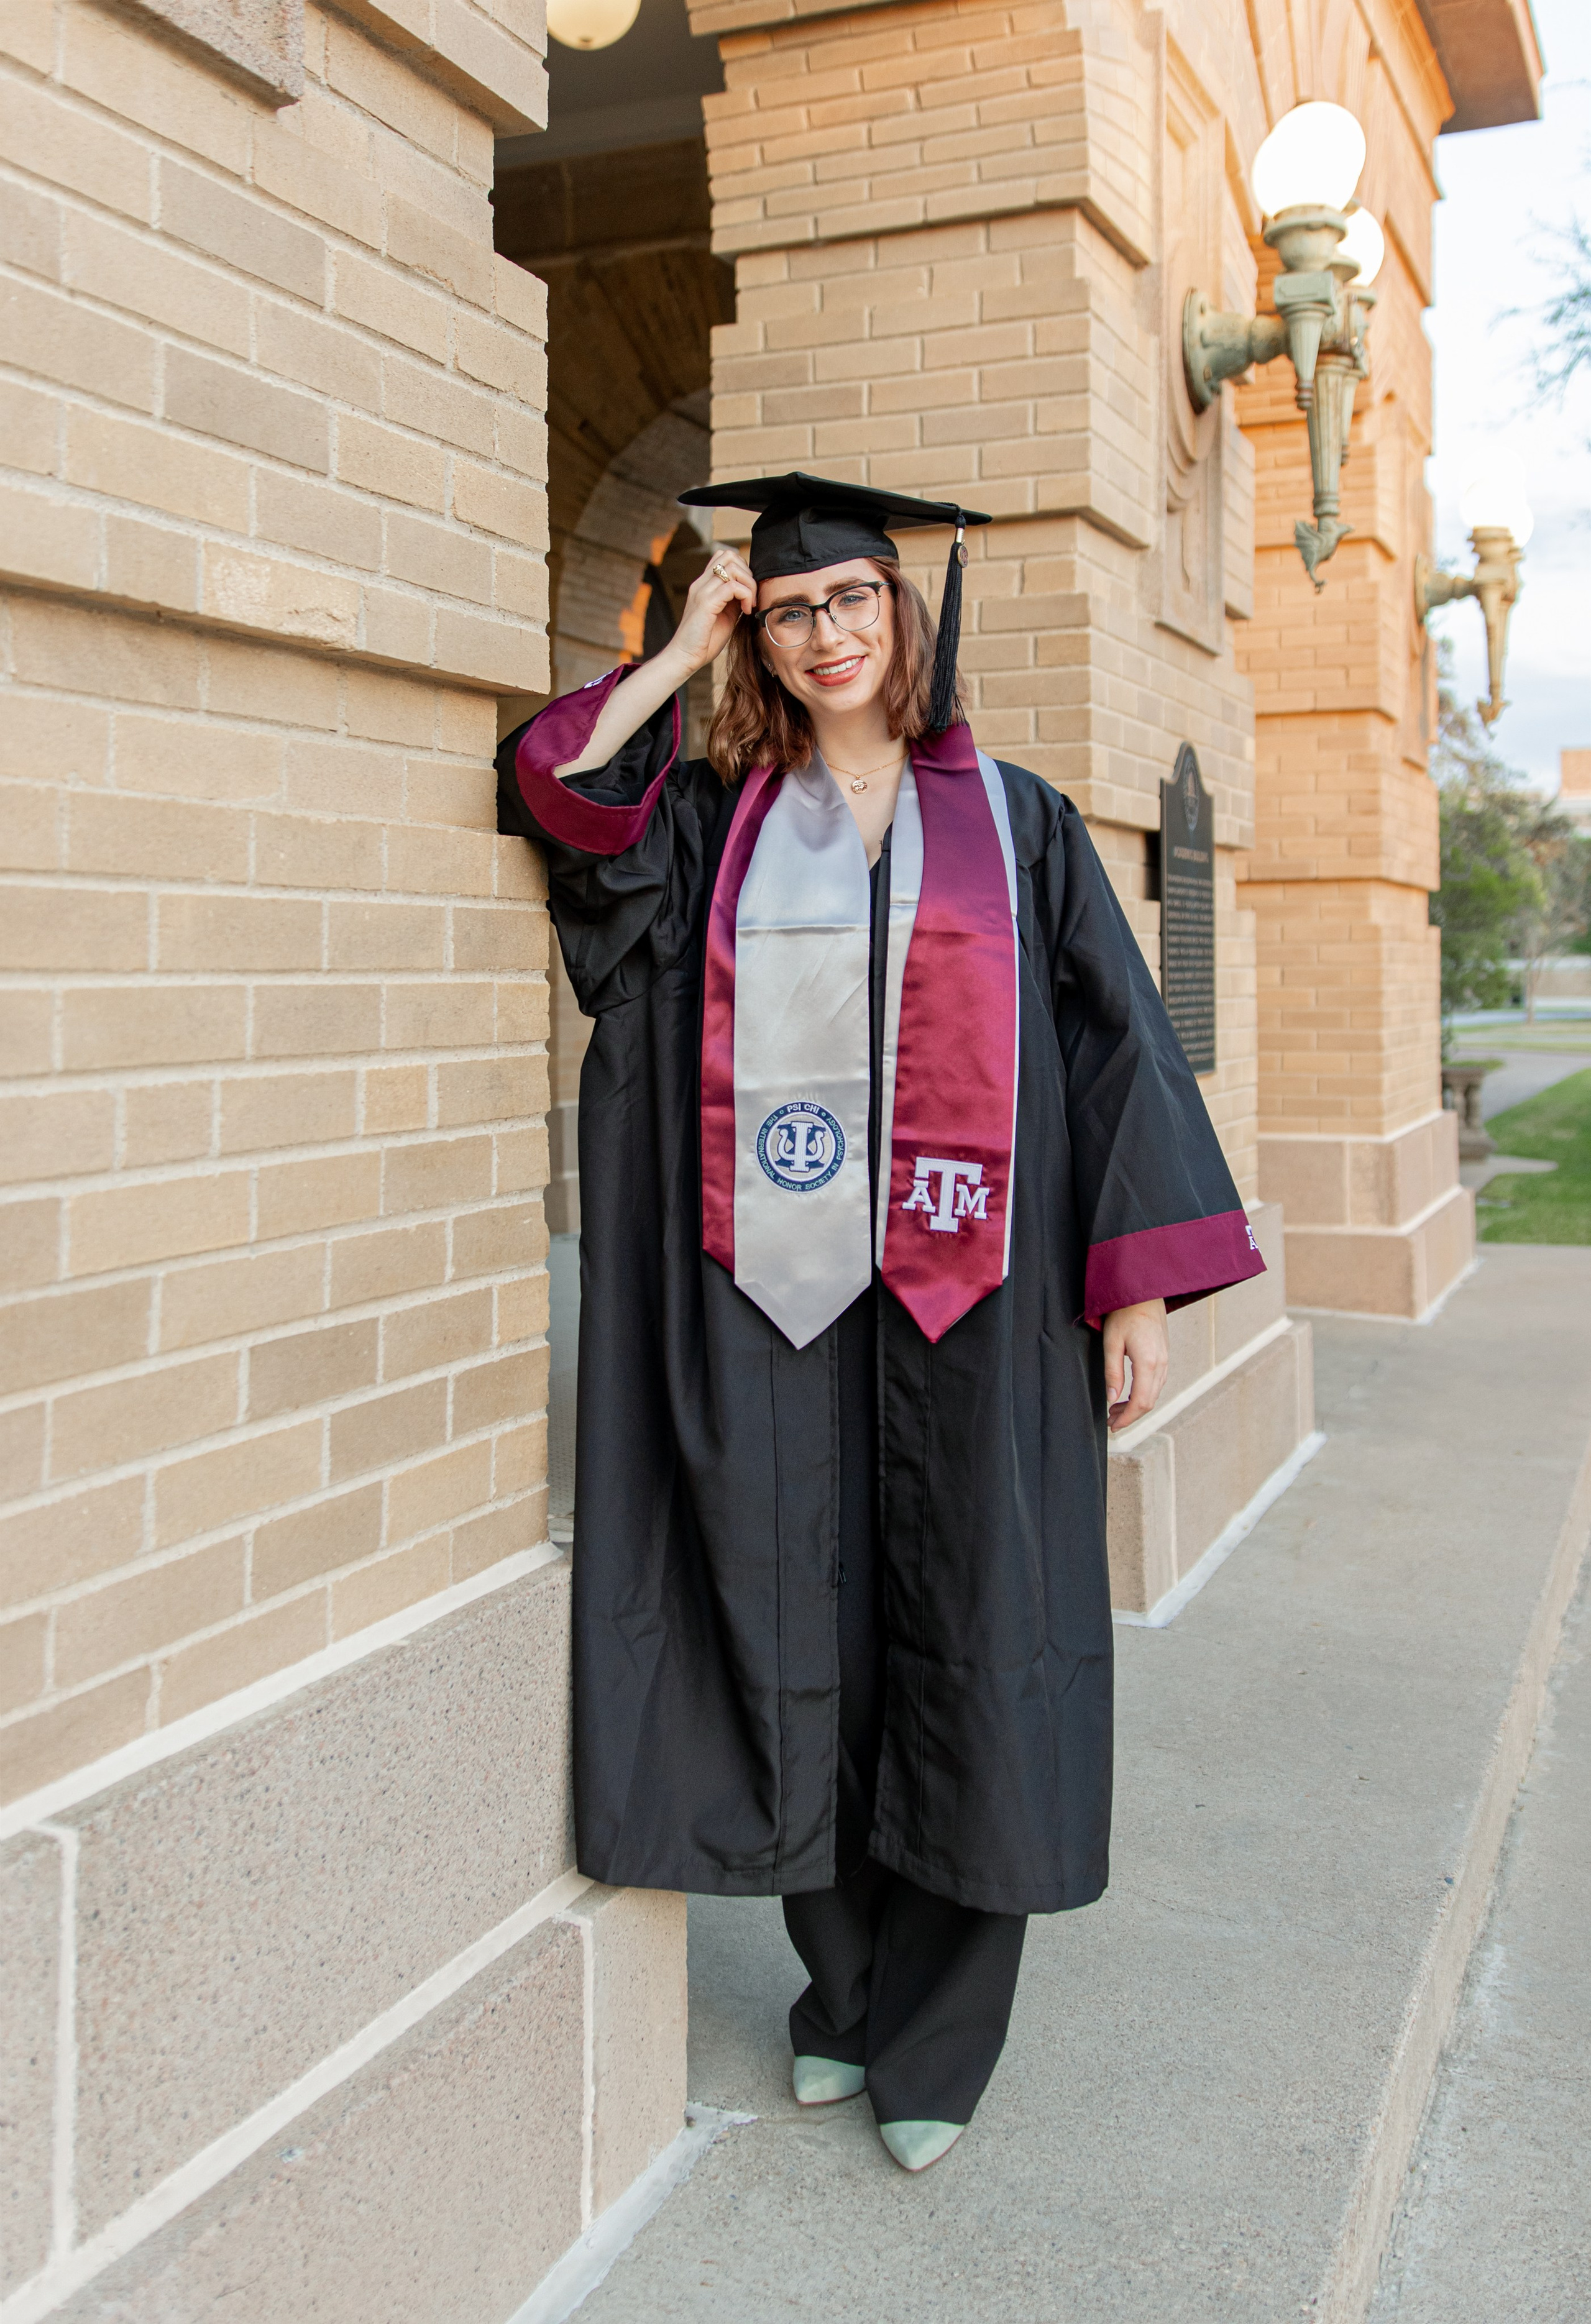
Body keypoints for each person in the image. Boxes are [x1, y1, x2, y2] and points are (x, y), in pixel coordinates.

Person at [497, 473, 1263, 2172]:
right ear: (757, 634)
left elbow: (1117, 1042)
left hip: (973, 1303)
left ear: (905, 615)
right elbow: (560, 793)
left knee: (984, 1629)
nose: (830, 631)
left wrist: (1130, 1280)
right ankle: (837, 1988)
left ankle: (936, 2034)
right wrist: (673, 644)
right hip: (773, 1307)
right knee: (799, 1634)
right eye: (792, 608)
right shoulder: (715, 818)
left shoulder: (1020, 818)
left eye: (855, 598)